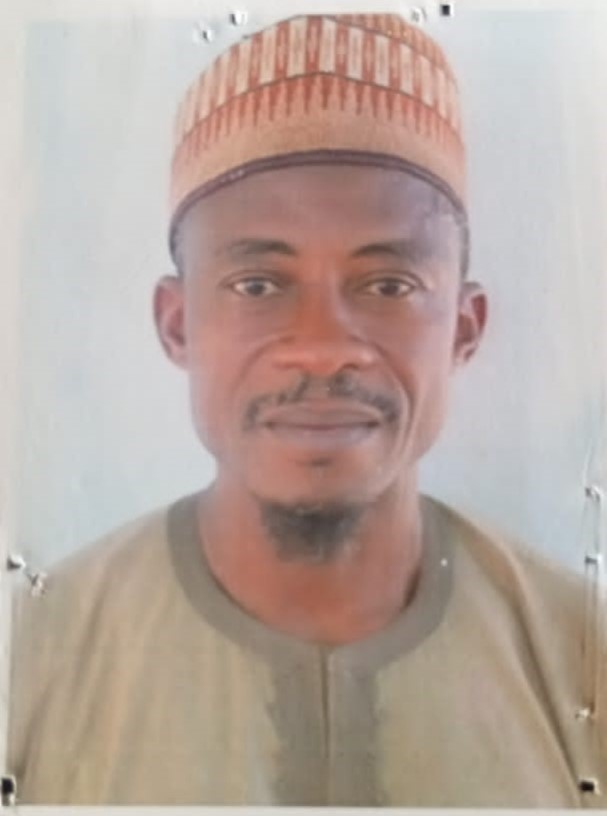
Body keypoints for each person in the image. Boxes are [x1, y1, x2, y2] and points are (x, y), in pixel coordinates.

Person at [8, 12, 606, 807]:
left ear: (463, 330)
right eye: (258, 285)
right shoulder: (32, 658)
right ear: (177, 324)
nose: (323, 348)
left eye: (387, 285)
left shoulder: (580, 657)